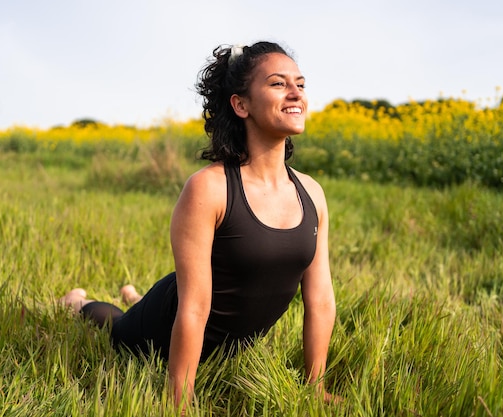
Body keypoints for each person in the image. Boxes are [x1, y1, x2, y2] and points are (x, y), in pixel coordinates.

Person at [60, 41, 337, 408]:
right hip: (163, 330)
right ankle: (77, 302)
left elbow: (320, 299)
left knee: (156, 304)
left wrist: (316, 387)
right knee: (120, 327)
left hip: (207, 326)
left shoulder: (312, 193)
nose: (295, 93)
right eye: (278, 84)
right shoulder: (210, 188)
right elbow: (193, 308)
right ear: (241, 105)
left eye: (300, 85)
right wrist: (180, 402)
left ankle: (134, 294)